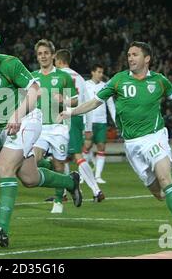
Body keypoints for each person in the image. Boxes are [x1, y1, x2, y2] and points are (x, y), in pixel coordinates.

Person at [58, 41, 172, 240]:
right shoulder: (118, 80)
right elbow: (94, 102)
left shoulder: (159, 81)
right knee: (159, 194)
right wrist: (71, 111)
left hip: (154, 137)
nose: (130, 58)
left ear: (147, 59)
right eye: (129, 55)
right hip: (132, 145)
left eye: (135, 54)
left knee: (164, 178)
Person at [0, 34, 82, 247]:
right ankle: (70, 182)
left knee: (5, 166)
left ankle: (1, 229)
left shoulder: (9, 63)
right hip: (6, 128)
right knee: (30, 178)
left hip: (27, 118)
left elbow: (34, 92)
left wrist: (17, 114)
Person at [31, 40, 81, 214]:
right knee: (33, 160)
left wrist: (64, 100)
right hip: (39, 127)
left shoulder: (63, 76)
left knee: (60, 165)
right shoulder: (32, 77)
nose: (43, 56)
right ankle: (50, 165)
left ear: (53, 55)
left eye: (46, 53)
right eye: (40, 53)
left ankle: (59, 200)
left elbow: (75, 99)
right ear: (37, 57)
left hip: (59, 127)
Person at [54, 49, 105, 202]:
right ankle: (64, 192)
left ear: (59, 61)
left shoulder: (57, 76)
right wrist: (88, 127)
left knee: (69, 156)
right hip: (77, 118)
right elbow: (88, 103)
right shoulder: (80, 79)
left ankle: (95, 190)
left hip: (64, 117)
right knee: (65, 156)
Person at [84, 64, 116, 184]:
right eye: (98, 72)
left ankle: (97, 176)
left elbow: (111, 105)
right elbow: (81, 102)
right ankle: (84, 175)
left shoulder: (105, 86)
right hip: (88, 120)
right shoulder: (85, 85)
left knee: (101, 147)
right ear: (93, 72)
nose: (100, 74)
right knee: (86, 147)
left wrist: (115, 120)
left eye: (102, 72)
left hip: (101, 122)